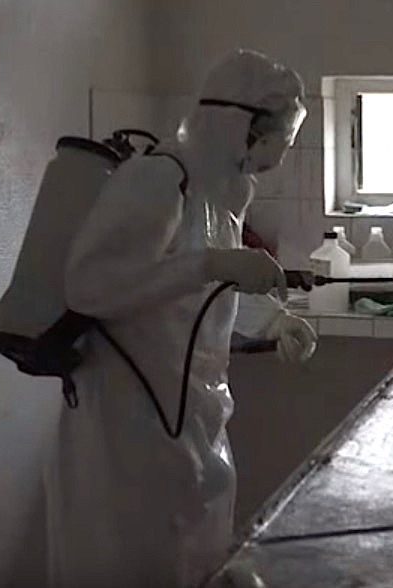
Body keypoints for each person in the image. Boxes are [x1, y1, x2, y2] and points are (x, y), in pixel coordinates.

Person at [45, 50, 316, 587]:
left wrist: (273, 320)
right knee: (134, 561)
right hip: (126, 424)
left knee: (192, 554)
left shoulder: (221, 195)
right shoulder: (154, 180)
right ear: (239, 127)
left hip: (194, 416)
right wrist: (211, 263)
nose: (270, 162)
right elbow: (91, 286)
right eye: (271, 145)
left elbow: (204, 294)